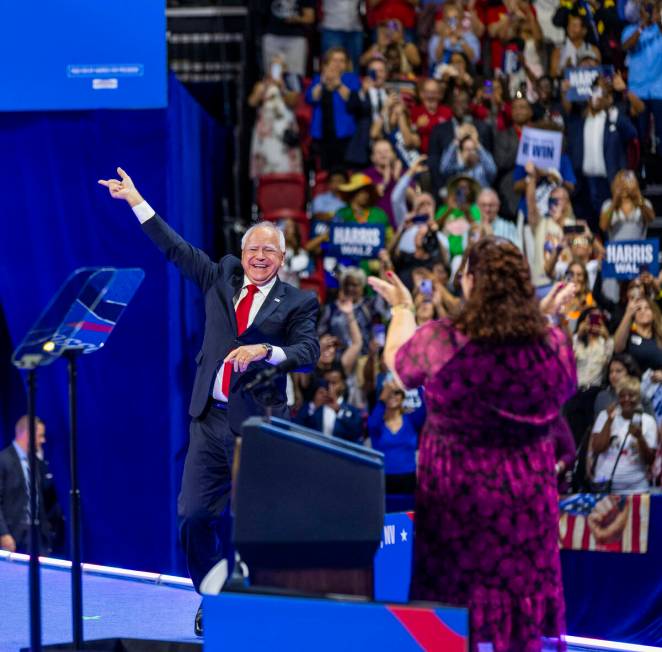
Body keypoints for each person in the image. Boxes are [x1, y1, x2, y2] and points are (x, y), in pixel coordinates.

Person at [98, 168, 320, 636]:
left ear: (282, 259)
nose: (259, 256)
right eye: (253, 248)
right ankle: (212, 594)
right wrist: (137, 201)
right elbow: (175, 248)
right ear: (242, 254)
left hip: (259, 427)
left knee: (253, 524)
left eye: (269, 251)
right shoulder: (220, 276)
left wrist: (265, 350)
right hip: (208, 419)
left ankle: (253, 604)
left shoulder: (299, 302)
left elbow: (308, 354)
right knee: (193, 516)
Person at [368, 237, 576, 651]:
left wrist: (402, 308)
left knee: (452, 621)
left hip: (458, 509)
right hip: (525, 509)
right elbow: (531, 361)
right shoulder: (552, 347)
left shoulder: (443, 340)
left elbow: (398, 361)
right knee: (520, 622)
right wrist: (543, 316)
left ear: (469, 281)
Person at [590, 376, 658, 492]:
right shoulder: (605, 416)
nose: (626, 399)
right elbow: (597, 448)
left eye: (631, 395)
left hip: (637, 488)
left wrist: (640, 437)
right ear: (617, 397)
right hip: (606, 487)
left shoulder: (648, 421)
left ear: (639, 398)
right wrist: (609, 421)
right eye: (622, 395)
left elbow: (650, 460)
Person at [368, 381, 426, 508]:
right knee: (386, 523)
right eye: (389, 393)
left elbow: (426, 407)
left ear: (402, 397)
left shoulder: (412, 420)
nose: (393, 396)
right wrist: (384, 394)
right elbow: (371, 424)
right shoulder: (377, 424)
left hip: (407, 480)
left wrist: (418, 383)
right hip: (383, 480)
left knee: (407, 522)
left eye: (397, 393)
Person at [0, 416, 53, 554]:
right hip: (13, 536)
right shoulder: (3, 460)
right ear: (27, 433)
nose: (43, 440)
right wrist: (3, 534)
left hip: (37, 537)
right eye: (40, 436)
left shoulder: (35, 462)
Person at [305, 47, 361, 171]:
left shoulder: (351, 79)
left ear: (347, 64)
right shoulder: (318, 79)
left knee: (343, 170)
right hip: (322, 134)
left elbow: (354, 101)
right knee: (324, 171)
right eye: (334, 60)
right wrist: (323, 81)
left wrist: (338, 85)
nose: (338, 64)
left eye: (342, 61)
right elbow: (310, 98)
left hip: (344, 135)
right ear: (326, 63)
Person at [248, 57, 303, 179]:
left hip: (285, 131)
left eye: (281, 67)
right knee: (267, 172)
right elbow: (251, 103)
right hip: (267, 132)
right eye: (274, 67)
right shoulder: (261, 84)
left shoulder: (291, 83)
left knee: (286, 168)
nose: (277, 70)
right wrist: (260, 91)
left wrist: (282, 87)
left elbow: (293, 102)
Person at [261, 0, 315, 77]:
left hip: (295, 38)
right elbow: (261, 14)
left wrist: (296, 19)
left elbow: (310, 18)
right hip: (272, 36)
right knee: (273, 76)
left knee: (294, 76)